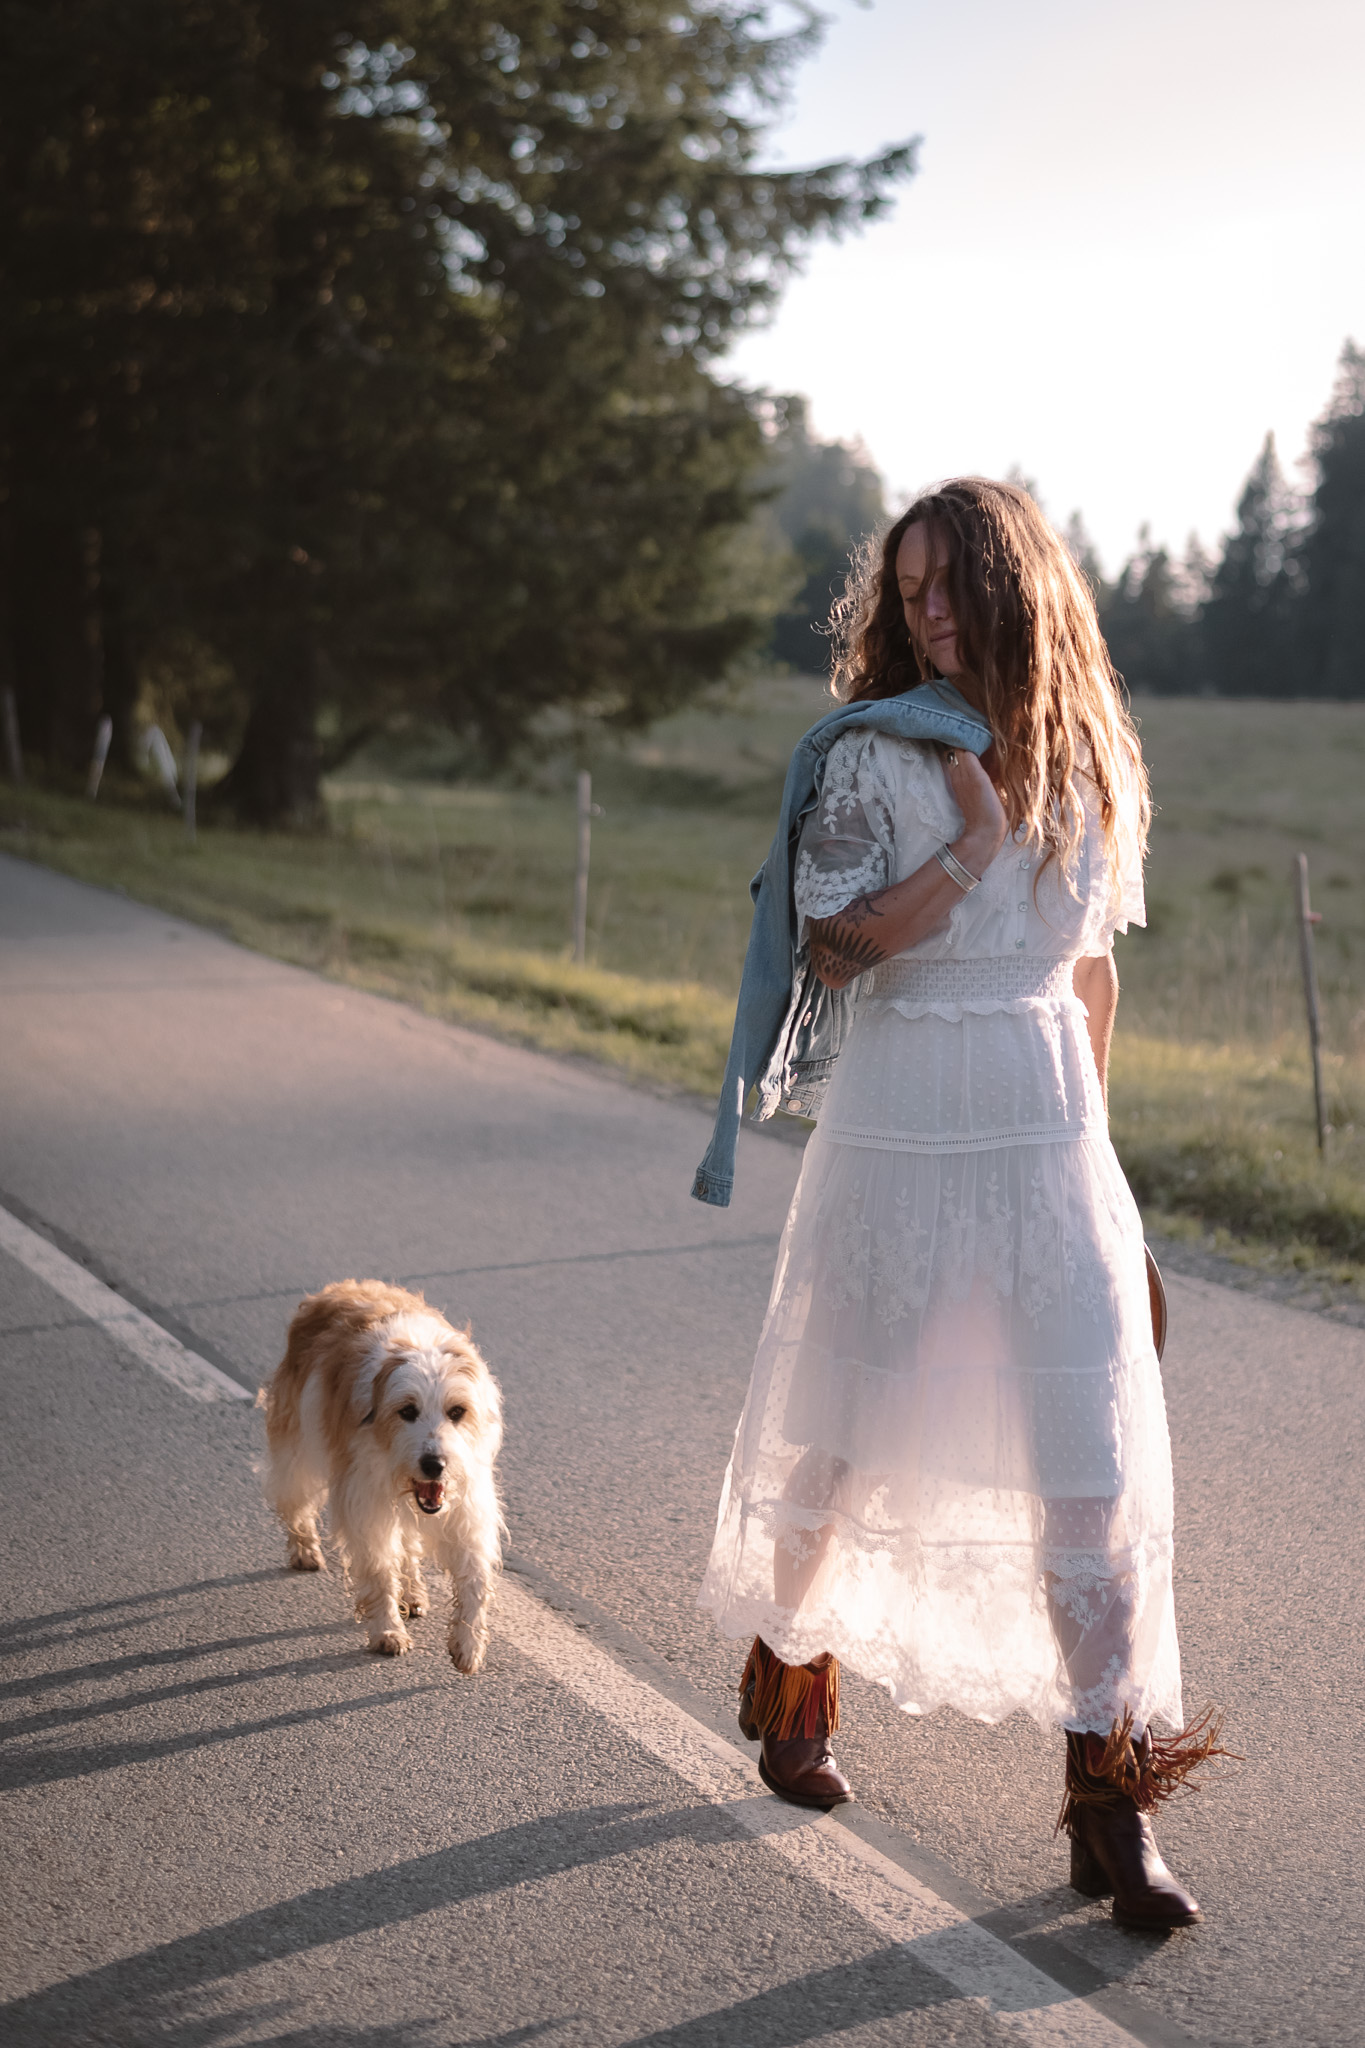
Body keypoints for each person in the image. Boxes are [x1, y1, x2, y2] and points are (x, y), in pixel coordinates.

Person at [698, 478, 1224, 1931]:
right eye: (908, 590)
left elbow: (1092, 972)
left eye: (952, 588)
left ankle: (1109, 1812)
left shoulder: (1089, 759)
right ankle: (793, 1684)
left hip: (1046, 1131)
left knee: (1090, 1471)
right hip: (903, 1124)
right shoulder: (867, 755)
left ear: (1015, 591)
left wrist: (1100, 1169)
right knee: (847, 1424)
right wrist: (960, 861)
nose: (928, 613)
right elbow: (832, 951)